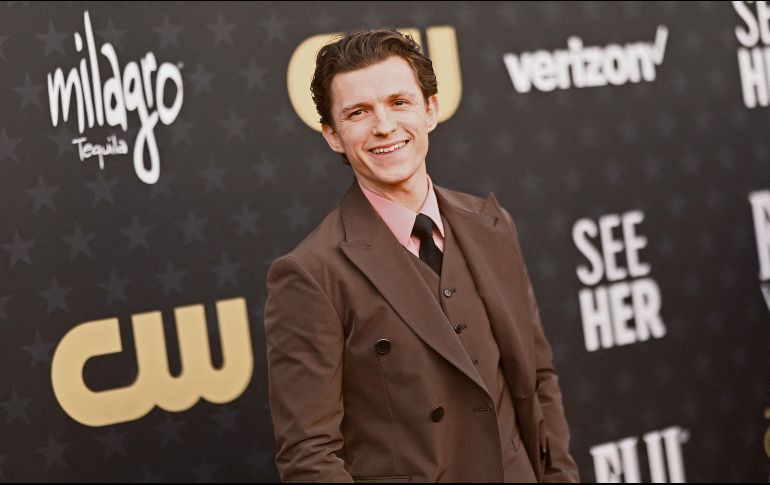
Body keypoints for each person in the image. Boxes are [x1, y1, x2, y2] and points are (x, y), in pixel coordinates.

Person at [264, 28, 579, 483]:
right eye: (358, 112)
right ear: (332, 135)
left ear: (430, 109)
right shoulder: (310, 274)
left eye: (399, 102)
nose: (384, 126)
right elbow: (308, 456)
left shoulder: (491, 225)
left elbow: (538, 378)